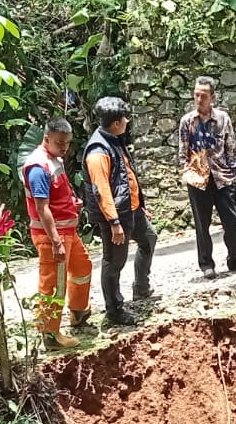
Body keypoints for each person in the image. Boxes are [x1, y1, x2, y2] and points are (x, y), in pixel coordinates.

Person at [20, 117, 93, 350]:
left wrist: (71, 203)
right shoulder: (38, 167)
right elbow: (42, 208)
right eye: (60, 143)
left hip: (67, 230)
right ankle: (50, 334)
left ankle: (78, 311)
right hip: (54, 235)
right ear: (46, 138)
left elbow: (56, 196)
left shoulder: (53, 160)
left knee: (82, 268)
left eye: (67, 143)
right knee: (53, 284)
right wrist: (55, 242)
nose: (64, 148)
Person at [83, 96, 156, 326]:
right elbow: (102, 189)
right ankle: (114, 309)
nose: (127, 120)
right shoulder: (98, 150)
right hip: (116, 217)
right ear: (116, 122)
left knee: (149, 239)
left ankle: (141, 288)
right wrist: (114, 222)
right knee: (114, 262)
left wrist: (141, 206)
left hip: (131, 211)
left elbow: (126, 176)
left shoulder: (114, 139)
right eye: (124, 118)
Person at [178, 76, 236, 278]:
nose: (199, 99)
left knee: (232, 221)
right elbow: (183, 152)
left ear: (213, 97)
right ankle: (207, 265)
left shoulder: (223, 119)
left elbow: (231, 148)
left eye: (203, 96)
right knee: (202, 225)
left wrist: (232, 173)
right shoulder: (187, 122)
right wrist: (188, 173)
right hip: (198, 180)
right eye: (196, 95)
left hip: (222, 177)